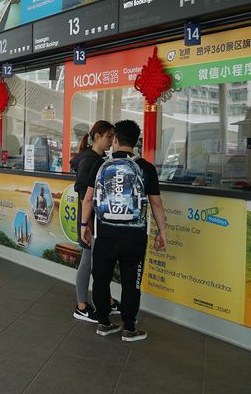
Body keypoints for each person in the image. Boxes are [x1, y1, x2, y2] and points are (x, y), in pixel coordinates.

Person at [80, 120, 168, 342]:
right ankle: (129, 328)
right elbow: (156, 204)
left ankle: (104, 323)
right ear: (136, 141)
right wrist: (162, 231)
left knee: (101, 279)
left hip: (105, 233)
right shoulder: (146, 167)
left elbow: (88, 199)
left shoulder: (99, 165)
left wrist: (83, 226)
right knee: (131, 282)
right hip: (134, 236)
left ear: (116, 140)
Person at [69, 120, 120, 323]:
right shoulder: (90, 161)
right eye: (108, 137)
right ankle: (81, 306)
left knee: (99, 263)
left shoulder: (97, 159)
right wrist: (87, 225)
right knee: (88, 262)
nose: (111, 141)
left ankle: (105, 300)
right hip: (90, 223)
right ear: (97, 136)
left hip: (95, 221)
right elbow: (84, 196)